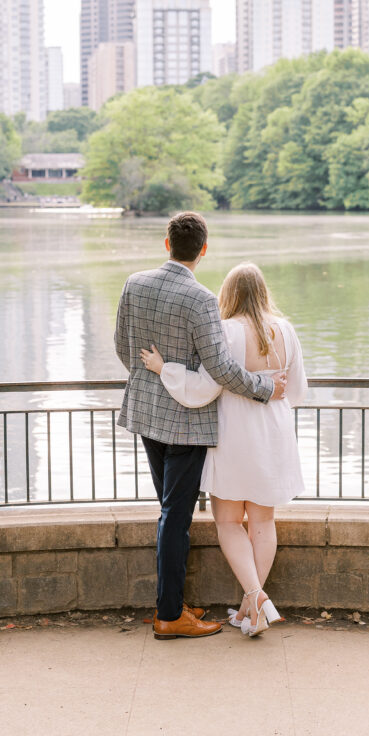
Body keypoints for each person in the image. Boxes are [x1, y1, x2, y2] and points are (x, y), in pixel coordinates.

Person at [114, 212, 286, 640]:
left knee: (170, 512)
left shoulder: (134, 284)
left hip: (146, 416)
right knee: (175, 516)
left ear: (166, 243)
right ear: (203, 249)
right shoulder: (202, 298)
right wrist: (265, 387)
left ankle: (173, 602)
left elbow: (123, 347)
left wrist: (153, 378)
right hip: (186, 423)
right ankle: (169, 615)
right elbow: (223, 369)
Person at [140, 262, 307, 637]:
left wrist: (163, 368)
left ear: (228, 295)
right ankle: (251, 611)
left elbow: (205, 386)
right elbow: (295, 391)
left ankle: (255, 598)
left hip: (234, 435)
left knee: (229, 522)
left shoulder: (226, 331)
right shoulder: (286, 330)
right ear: (263, 292)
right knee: (263, 522)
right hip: (274, 433)